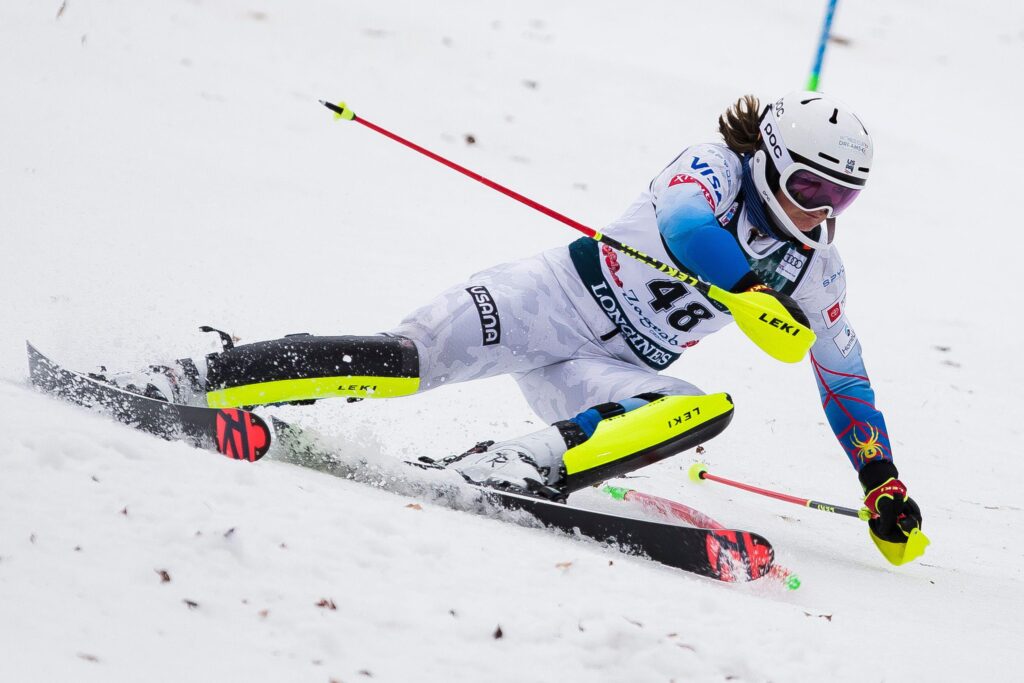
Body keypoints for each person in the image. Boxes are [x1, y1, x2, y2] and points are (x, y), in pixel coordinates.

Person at [105, 91, 922, 561]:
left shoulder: (818, 269)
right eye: (813, 187)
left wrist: (880, 480)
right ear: (773, 159)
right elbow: (682, 225)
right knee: (399, 362)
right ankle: (195, 376)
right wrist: (745, 290)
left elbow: (844, 378)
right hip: (549, 298)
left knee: (698, 407)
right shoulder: (712, 164)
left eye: (841, 199)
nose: (819, 211)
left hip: (605, 366)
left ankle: (516, 463)